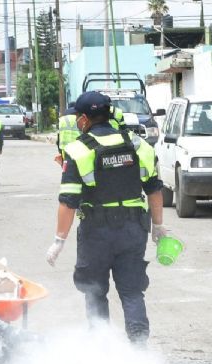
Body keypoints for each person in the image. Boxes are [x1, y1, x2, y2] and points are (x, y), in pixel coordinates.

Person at [45, 91, 166, 345]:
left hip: (96, 232)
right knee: (132, 292)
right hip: (133, 229)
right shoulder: (138, 144)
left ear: (84, 119)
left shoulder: (77, 150)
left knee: (95, 292)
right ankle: (139, 350)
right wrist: (159, 226)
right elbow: (154, 189)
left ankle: (103, 350)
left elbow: (68, 202)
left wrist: (59, 240)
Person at [55, 102, 79, 166]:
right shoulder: (80, 118)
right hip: (79, 149)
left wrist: (60, 151)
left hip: (65, 150)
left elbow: (59, 138)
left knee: (66, 169)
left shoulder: (62, 120)